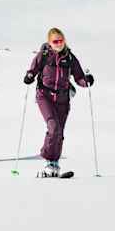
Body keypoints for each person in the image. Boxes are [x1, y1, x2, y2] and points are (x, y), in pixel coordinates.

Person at [23, 27, 93, 177]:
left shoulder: (70, 58)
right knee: (53, 127)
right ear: (50, 42)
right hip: (45, 96)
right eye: (55, 41)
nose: (59, 44)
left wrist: (86, 81)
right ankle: (48, 159)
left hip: (63, 99)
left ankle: (55, 163)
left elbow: (79, 76)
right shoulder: (44, 55)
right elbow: (33, 69)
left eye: (61, 41)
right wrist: (29, 76)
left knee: (59, 132)